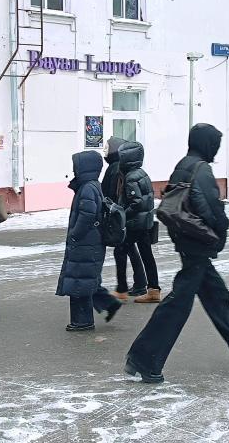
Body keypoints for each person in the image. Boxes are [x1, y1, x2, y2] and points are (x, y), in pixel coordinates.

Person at [124, 124, 229, 383]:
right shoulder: (201, 169)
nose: (216, 149)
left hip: (187, 240)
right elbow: (210, 208)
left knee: (217, 296)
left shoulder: (183, 165)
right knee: (178, 304)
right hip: (197, 242)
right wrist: (220, 231)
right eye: (215, 144)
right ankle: (144, 359)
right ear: (206, 144)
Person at [57, 150, 122, 332]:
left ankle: (83, 321)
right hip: (89, 242)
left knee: (80, 282)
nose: (74, 169)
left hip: (86, 242)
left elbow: (87, 215)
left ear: (85, 167)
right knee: (85, 278)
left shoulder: (87, 188)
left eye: (76, 166)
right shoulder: (91, 186)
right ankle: (108, 304)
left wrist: (75, 235)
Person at [103, 137, 149, 301]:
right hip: (126, 215)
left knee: (122, 250)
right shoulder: (120, 167)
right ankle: (139, 283)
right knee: (129, 249)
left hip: (121, 215)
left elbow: (111, 193)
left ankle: (125, 287)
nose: (104, 150)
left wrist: (114, 212)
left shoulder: (115, 168)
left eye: (107, 147)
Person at [116, 141, 161, 304]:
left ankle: (122, 290)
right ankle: (154, 289)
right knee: (147, 255)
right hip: (144, 222)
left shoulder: (130, 177)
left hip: (135, 224)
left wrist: (122, 214)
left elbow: (137, 202)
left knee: (120, 251)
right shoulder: (141, 173)